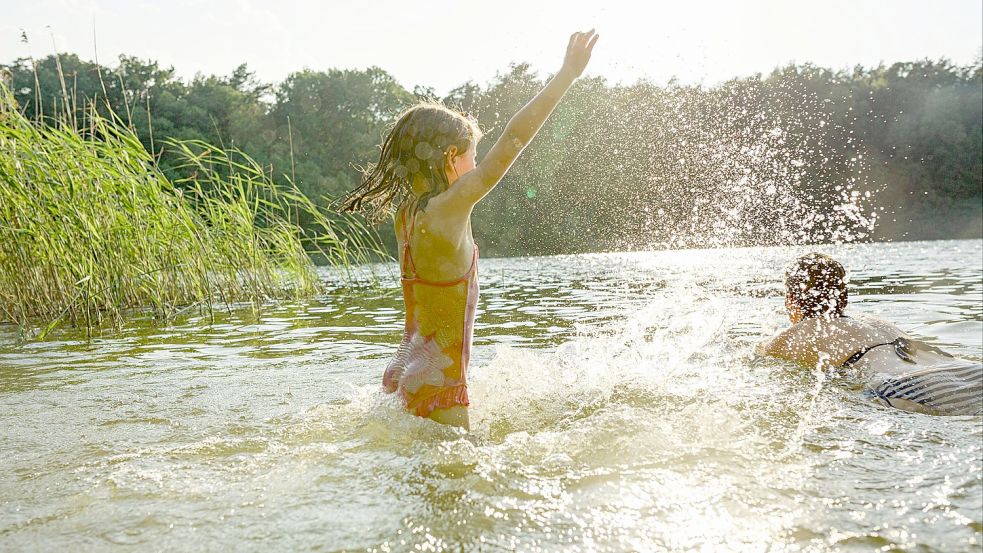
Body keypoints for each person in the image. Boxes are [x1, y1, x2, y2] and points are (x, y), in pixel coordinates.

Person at [340, 31, 599, 428]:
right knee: (456, 487)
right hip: (440, 379)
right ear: (450, 156)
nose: (477, 164)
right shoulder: (451, 207)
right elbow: (513, 140)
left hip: (404, 368)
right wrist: (567, 75)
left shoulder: (406, 214)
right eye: (473, 155)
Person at [759, 253, 982, 416]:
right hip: (968, 372)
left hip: (905, 386)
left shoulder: (799, 332)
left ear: (790, 301)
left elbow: (758, 358)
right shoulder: (873, 322)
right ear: (843, 298)